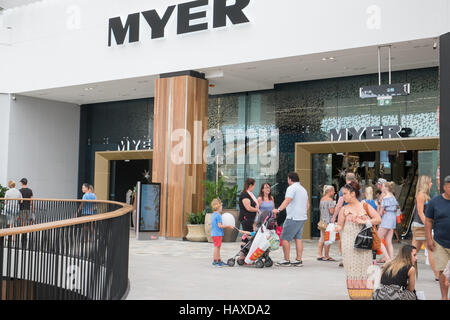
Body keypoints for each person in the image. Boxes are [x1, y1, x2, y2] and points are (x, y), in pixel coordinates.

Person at [333, 181, 381, 300]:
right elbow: (340, 225)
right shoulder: (344, 209)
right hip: (349, 245)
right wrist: (335, 228)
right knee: (352, 271)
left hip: (364, 244)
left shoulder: (364, 206)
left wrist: (364, 221)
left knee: (366, 270)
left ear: (353, 193)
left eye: (345, 194)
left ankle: (366, 296)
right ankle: (354, 296)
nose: (343, 196)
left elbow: (378, 219)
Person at [272, 172, 309, 267]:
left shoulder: (291, 188)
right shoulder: (303, 189)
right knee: (298, 238)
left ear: (290, 179)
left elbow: (287, 200)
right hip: (302, 217)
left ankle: (286, 260)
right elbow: (307, 205)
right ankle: (298, 260)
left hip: (293, 217)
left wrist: (278, 209)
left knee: (284, 238)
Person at [425, 175, 450, 300]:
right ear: (444, 187)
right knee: (443, 271)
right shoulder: (434, 202)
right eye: (449, 186)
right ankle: (444, 297)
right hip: (440, 242)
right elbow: (428, 220)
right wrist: (429, 239)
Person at [411, 175, 440, 281]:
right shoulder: (421, 195)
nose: (432, 184)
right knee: (430, 249)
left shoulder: (424, 195)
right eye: (430, 182)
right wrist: (428, 225)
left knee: (413, 250)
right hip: (421, 226)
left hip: (419, 226)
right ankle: (438, 276)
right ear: (426, 183)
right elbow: (420, 212)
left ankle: (404, 270)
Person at [332, 172, 358, 266]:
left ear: (346, 178)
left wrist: (334, 216)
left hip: (346, 215)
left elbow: (339, 203)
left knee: (344, 238)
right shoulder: (358, 189)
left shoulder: (344, 189)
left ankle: (345, 259)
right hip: (356, 215)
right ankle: (354, 258)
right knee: (355, 237)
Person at [377, 181, 399, 263]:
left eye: (382, 186)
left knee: (378, 239)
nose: (381, 188)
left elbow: (380, 212)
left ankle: (387, 258)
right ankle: (391, 258)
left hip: (386, 219)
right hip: (393, 218)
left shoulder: (385, 198)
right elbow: (396, 208)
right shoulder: (393, 197)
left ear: (385, 188)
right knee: (388, 241)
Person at [238, 178, 259, 261]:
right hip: (246, 219)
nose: (254, 187)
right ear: (250, 185)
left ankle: (245, 255)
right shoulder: (244, 195)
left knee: (248, 237)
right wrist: (257, 210)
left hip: (251, 219)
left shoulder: (249, 194)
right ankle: (242, 255)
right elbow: (248, 207)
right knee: (247, 236)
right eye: (254, 185)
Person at [210, 198, 233, 267]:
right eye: (221, 206)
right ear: (218, 207)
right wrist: (228, 226)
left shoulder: (214, 214)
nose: (222, 208)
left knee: (217, 247)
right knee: (217, 247)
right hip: (217, 234)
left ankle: (218, 260)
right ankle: (215, 261)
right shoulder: (219, 215)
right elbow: (220, 226)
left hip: (214, 234)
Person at [317, 185, 336, 261]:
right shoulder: (330, 200)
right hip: (328, 222)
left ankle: (319, 254)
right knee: (328, 239)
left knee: (322, 238)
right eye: (333, 190)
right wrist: (335, 206)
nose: (334, 192)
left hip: (322, 221)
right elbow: (331, 211)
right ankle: (326, 255)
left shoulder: (322, 199)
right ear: (330, 191)